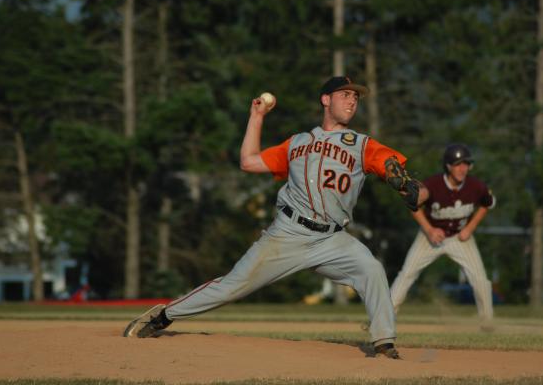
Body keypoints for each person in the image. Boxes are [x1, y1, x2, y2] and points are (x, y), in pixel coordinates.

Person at [123, 76, 428, 359]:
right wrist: (256, 118)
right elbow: (248, 162)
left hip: (332, 239)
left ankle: (384, 343)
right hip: (287, 234)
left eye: (355, 97)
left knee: (371, 269)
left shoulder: (362, 144)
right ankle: (162, 315)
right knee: (231, 286)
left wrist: (408, 186)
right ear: (325, 99)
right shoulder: (296, 143)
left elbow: (394, 168)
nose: (352, 101)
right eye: (345, 94)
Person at [389, 143, 496, 330]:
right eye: (457, 164)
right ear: (448, 166)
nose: (462, 168)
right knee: (406, 274)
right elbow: (415, 204)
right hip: (430, 237)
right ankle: (385, 317)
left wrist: (470, 228)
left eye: (466, 164)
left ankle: (487, 323)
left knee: (480, 280)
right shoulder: (434, 184)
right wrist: (429, 229)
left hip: (460, 238)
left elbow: (487, 204)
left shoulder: (476, 186)